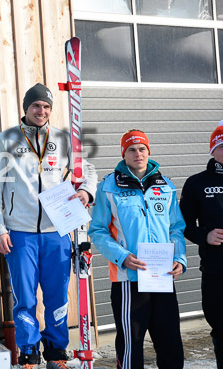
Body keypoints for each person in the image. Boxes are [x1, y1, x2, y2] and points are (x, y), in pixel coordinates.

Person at [0, 83, 97, 369]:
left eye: (46, 107)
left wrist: (85, 191)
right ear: (26, 108)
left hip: (56, 231)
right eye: (36, 106)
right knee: (25, 297)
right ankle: (29, 353)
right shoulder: (6, 139)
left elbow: (89, 170)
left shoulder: (63, 138)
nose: (41, 111)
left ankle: (57, 353)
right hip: (20, 233)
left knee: (57, 295)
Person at [88, 129, 186, 369]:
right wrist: (122, 257)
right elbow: (97, 231)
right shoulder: (109, 186)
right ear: (124, 153)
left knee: (170, 342)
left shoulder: (165, 185)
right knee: (131, 346)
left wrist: (179, 258)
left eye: (142, 148)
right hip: (128, 278)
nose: (137, 153)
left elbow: (176, 227)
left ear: (148, 151)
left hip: (162, 276)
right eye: (131, 149)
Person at [180, 120, 223, 369]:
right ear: (213, 149)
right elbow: (182, 225)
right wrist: (205, 235)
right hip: (216, 272)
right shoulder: (197, 183)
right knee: (220, 327)